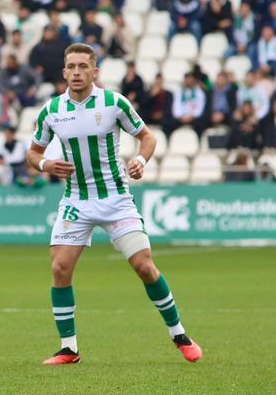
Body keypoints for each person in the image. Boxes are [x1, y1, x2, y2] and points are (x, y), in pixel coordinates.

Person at [25, 43, 203, 365]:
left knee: (144, 266)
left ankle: (179, 333)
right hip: (76, 199)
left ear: (95, 72)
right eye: (71, 67)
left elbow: (148, 137)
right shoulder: (51, 110)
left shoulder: (113, 103)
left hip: (115, 198)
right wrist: (44, 166)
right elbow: (33, 153)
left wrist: (140, 160)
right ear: (64, 72)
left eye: (83, 67)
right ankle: (69, 348)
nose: (76, 72)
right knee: (59, 268)